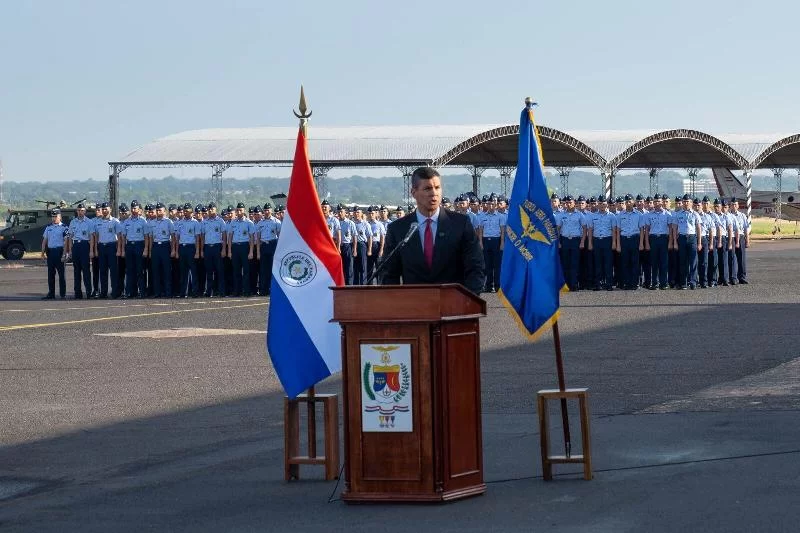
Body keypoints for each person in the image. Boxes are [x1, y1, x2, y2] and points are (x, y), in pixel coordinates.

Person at [381, 167, 485, 294]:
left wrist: (469, 300)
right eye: (427, 188)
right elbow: (389, 274)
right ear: (413, 193)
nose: (434, 193)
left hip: (454, 306)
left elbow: (475, 267)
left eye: (437, 187)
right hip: (414, 307)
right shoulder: (398, 229)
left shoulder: (460, 224)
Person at [119, 200, 150, 298]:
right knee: (130, 270)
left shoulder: (143, 221)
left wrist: (145, 249)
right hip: (129, 246)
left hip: (139, 245)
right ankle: (130, 292)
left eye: (135, 208)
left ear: (139, 209)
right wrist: (123, 250)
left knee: (140, 270)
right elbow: (123, 237)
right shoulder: (126, 222)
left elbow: (146, 237)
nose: (133, 210)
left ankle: (142, 292)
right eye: (132, 208)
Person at [93, 202, 122, 298]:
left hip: (112, 247)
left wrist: (118, 250)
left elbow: (119, 236)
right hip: (101, 247)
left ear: (110, 209)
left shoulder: (115, 221)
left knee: (113, 271)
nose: (104, 211)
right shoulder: (98, 222)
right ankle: (103, 292)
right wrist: (96, 249)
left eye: (106, 209)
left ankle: (115, 292)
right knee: (103, 271)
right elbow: (96, 236)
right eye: (103, 209)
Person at [227, 202, 255, 297]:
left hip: (245, 247)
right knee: (236, 270)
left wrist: (251, 251)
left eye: (241, 210)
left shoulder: (249, 223)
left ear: (244, 211)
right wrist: (230, 251)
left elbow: (251, 238)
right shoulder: (232, 222)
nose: (239, 212)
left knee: (246, 270)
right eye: (238, 210)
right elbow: (230, 237)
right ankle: (237, 291)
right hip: (235, 247)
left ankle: (246, 291)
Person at [66, 202, 93, 299]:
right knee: (76, 271)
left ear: (85, 211)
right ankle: (78, 293)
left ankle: (89, 292)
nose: (80, 212)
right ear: (76, 211)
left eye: (82, 210)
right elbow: (70, 237)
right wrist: (70, 250)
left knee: (86, 271)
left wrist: (91, 250)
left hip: (85, 245)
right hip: (76, 245)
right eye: (78, 210)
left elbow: (91, 237)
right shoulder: (73, 222)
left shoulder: (89, 222)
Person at [147, 202, 175, 298]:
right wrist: (150, 251)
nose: (158, 212)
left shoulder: (168, 222)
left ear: (164, 211)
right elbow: (150, 238)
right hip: (155, 247)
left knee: (166, 270)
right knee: (155, 271)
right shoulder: (152, 222)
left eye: (160, 210)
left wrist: (173, 250)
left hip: (165, 246)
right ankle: (157, 292)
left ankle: (168, 292)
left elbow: (173, 237)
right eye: (157, 210)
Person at [174, 203, 201, 298]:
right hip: (182, 248)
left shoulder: (195, 223)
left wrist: (197, 251)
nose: (186, 213)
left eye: (188, 211)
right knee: (183, 271)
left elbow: (198, 238)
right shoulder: (179, 223)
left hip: (191, 248)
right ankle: (183, 292)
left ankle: (195, 292)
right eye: (185, 211)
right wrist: (177, 251)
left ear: (191, 212)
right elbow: (177, 238)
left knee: (193, 271)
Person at [41, 208, 67, 299]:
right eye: (52, 216)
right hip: (51, 252)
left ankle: (62, 294)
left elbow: (65, 242)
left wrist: (64, 254)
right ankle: (51, 293)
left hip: (60, 252)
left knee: (61, 275)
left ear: (60, 217)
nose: (54, 218)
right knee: (50, 275)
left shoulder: (64, 227)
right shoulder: (48, 227)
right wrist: (42, 253)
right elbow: (45, 240)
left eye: (56, 216)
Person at [201, 202, 226, 297]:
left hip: (217, 247)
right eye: (209, 209)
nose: (210, 211)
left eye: (212, 209)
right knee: (209, 271)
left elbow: (224, 235)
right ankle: (209, 291)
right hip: (207, 247)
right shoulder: (204, 222)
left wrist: (223, 249)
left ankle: (221, 291)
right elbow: (203, 236)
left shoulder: (220, 221)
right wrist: (202, 250)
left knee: (219, 270)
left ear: (216, 209)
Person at [256, 202, 281, 296]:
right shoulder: (260, 223)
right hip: (263, 246)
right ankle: (263, 290)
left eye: (268, 210)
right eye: (265, 210)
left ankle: (272, 290)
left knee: (272, 269)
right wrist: (258, 252)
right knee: (263, 270)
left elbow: (279, 237)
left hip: (273, 245)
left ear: (271, 210)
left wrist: (278, 251)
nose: (266, 212)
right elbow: (258, 239)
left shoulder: (276, 222)